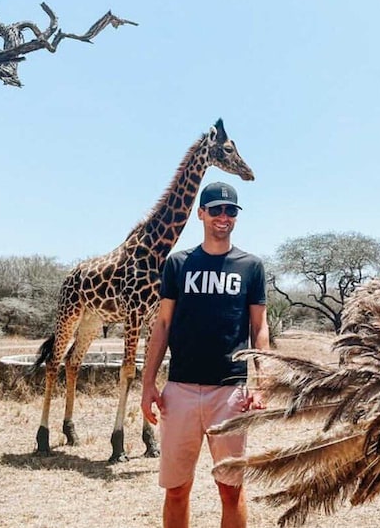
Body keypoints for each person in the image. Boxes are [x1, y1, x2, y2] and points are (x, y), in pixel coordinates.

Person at [141, 181, 269, 528]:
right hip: (180, 390)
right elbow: (163, 325)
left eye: (230, 211)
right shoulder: (178, 264)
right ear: (201, 214)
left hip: (230, 393)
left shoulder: (251, 267)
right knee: (177, 489)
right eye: (215, 210)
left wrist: (264, 381)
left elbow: (259, 328)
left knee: (231, 490)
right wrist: (148, 383)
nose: (223, 217)